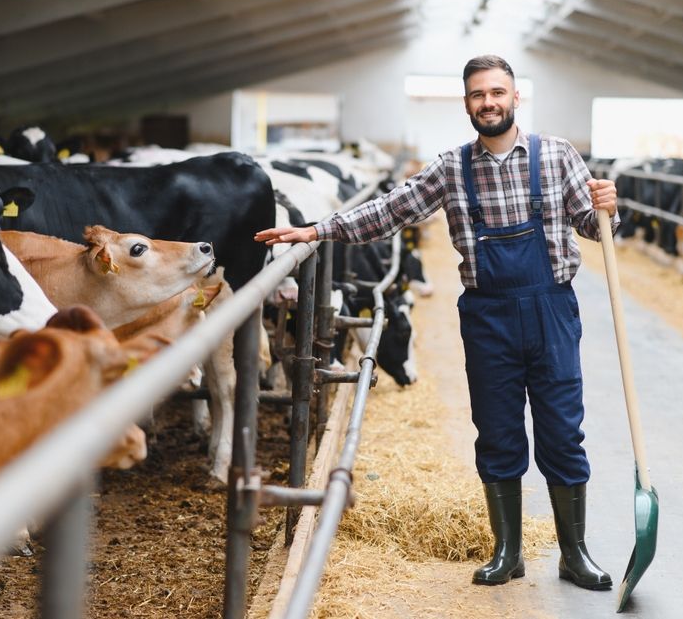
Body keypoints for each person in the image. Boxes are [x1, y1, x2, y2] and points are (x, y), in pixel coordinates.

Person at [254, 54, 617, 590]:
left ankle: (574, 553)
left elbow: (592, 225)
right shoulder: (452, 168)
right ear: (467, 103)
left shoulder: (557, 155)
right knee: (496, 434)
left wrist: (606, 206)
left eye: (497, 92)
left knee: (562, 432)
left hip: (551, 310)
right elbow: (387, 212)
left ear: (516, 98)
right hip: (488, 315)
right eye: (477, 94)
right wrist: (315, 231)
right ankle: (507, 552)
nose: (488, 102)